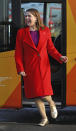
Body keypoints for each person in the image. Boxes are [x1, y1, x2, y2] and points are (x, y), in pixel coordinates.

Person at [15, 8, 68, 126]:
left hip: (43, 66)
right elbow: (18, 53)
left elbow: (50, 49)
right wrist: (20, 69)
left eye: (29, 16)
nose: (27, 18)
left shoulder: (45, 30)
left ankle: (52, 103)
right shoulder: (21, 33)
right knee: (35, 95)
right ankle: (44, 118)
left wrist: (59, 57)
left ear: (36, 17)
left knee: (44, 93)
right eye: (26, 16)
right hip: (29, 68)